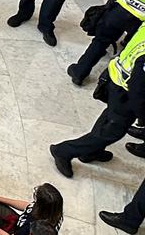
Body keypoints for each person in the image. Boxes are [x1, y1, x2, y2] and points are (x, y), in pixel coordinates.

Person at [50, 20, 145, 177]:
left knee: (110, 118)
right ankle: (63, 151)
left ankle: (91, 152)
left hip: (118, 78)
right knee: (113, 131)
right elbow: (138, 88)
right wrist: (143, 115)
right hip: (126, 91)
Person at [69, 0, 145, 86]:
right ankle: (111, 82)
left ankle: (79, 72)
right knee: (128, 51)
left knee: (100, 41)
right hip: (140, 21)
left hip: (120, 10)